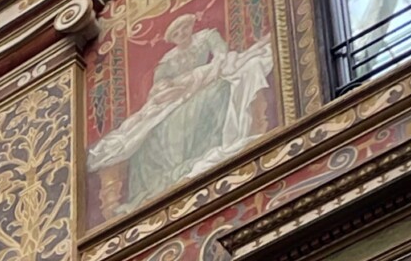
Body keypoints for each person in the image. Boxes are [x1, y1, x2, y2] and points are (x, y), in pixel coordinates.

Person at [88, 12, 273, 213]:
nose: (182, 33)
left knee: (218, 91)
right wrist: (168, 89)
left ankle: (217, 147)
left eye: (184, 28)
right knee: (149, 129)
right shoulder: (169, 60)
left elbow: (221, 54)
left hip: (207, 76)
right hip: (180, 93)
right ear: (173, 39)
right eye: (177, 32)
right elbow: (159, 86)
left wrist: (208, 72)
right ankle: (158, 182)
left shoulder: (206, 37)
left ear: (191, 27)